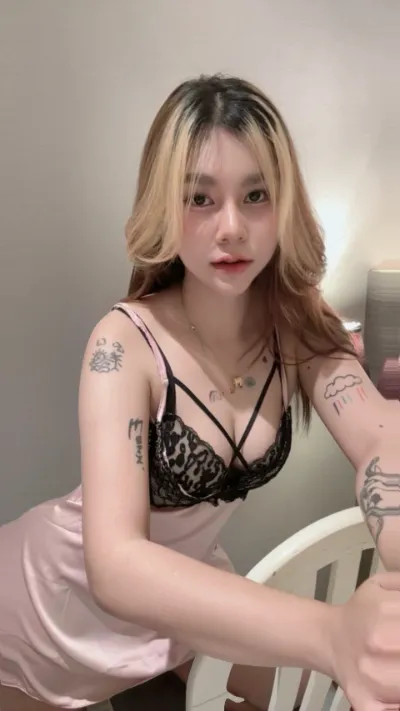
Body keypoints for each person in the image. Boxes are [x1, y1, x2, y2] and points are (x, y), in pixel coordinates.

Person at [1, 74, 400, 711]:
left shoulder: (297, 323)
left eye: (256, 195)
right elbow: (116, 563)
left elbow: (382, 437)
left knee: (309, 697)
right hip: (52, 602)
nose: (231, 227)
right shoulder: (122, 344)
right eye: (200, 198)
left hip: (184, 592)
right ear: (165, 206)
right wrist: (332, 632)